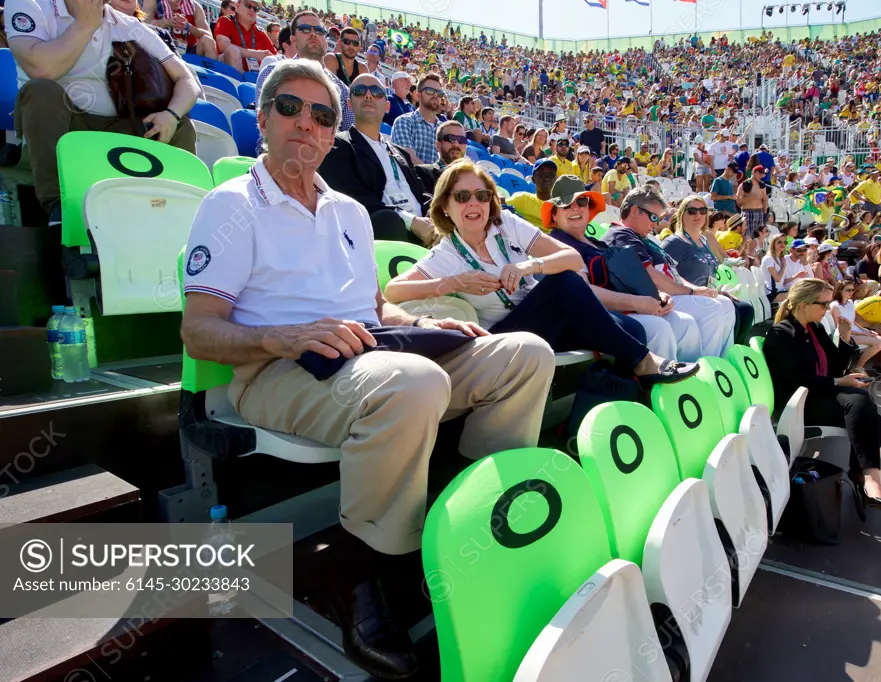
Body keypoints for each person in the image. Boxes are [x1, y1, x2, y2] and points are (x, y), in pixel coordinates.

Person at [179, 60, 557, 680]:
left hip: (368, 352)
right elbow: (198, 331)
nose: (306, 123)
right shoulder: (230, 206)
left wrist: (430, 326)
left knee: (524, 355)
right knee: (416, 384)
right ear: (262, 119)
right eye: (290, 108)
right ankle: (361, 574)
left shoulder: (350, 212)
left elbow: (372, 306)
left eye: (322, 114)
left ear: (335, 132)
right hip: (272, 372)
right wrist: (283, 335)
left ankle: (465, 522)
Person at [383, 159, 699, 387]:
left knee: (635, 331)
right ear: (445, 206)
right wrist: (452, 282)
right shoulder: (446, 254)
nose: (473, 203)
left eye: (481, 195)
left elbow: (571, 256)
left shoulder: (505, 223)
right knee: (563, 283)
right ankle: (644, 363)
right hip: (504, 336)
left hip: (548, 319)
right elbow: (393, 291)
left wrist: (528, 265)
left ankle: (612, 402)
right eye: (462, 196)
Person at [7, 0, 200, 227]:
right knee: (40, 91)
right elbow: (42, 69)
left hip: (114, 127)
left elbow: (188, 81)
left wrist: (171, 114)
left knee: (181, 126)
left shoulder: (126, 23)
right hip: (63, 124)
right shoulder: (31, 4)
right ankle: (60, 206)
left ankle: (177, 217)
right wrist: (86, 25)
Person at [544, 175, 704, 364]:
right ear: (554, 214)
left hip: (621, 309)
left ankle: (693, 382)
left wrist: (657, 295)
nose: (575, 208)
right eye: (565, 204)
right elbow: (582, 292)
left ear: (589, 208)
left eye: (581, 201)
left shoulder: (597, 243)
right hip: (588, 319)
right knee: (658, 329)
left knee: (684, 324)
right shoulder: (556, 244)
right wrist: (638, 303)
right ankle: (659, 388)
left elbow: (627, 281)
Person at [763, 279, 881, 509]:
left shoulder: (815, 328)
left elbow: (835, 366)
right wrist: (839, 381)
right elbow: (793, 381)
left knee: (873, 418)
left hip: (821, 392)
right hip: (799, 403)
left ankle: (865, 476)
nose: (826, 310)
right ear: (804, 305)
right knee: (863, 405)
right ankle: (867, 477)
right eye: (823, 305)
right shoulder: (780, 335)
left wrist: (844, 338)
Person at [602, 185, 737, 360]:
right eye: (652, 217)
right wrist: (691, 292)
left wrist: (696, 289)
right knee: (711, 309)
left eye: (657, 219)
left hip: (669, 294)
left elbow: (673, 275)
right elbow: (652, 277)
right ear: (634, 210)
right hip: (652, 299)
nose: (655, 224)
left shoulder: (641, 238)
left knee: (725, 304)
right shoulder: (622, 235)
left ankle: (720, 363)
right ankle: (704, 369)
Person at [318, 73, 434, 245]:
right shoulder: (337, 145)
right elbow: (352, 198)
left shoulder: (400, 153)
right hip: (385, 233)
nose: (368, 95)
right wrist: (411, 221)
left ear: (387, 106)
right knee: (387, 220)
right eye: (359, 91)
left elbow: (421, 193)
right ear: (349, 104)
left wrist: (435, 216)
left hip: (424, 229)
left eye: (376, 92)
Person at [661, 194, 756, 344]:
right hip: (686, 295)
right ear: (682, 214)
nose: (698, 215)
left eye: (702, 211)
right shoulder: (673, 242)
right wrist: (694, 290)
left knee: (745, 310)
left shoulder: (704, 241)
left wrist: (718, 291)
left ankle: (728, 354)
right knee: (728, 309)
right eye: (692, 211)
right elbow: (663, 275)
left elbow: (713, 270)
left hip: (707, 293)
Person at [829, 281, 881, 381]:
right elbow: (840, 329)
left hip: (856, 333)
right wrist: (864, 332)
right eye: (848, 290)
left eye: (853, 290)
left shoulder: (850, 303)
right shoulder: (835, 306)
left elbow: (854, 322)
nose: (851, 292)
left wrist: (865, 330)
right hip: (845, 336)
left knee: (879, 345)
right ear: (839, 291)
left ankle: (858, 367)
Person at [212, 0, 276, 74]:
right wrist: (254, 54)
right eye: (248, 5)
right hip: (225, 73)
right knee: (233, 51)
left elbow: (275, 57)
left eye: (255, 9)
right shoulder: (226, 20)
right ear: (237, 5)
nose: (252, 10)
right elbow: (223, 46)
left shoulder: (260, 33)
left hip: (252, 77)